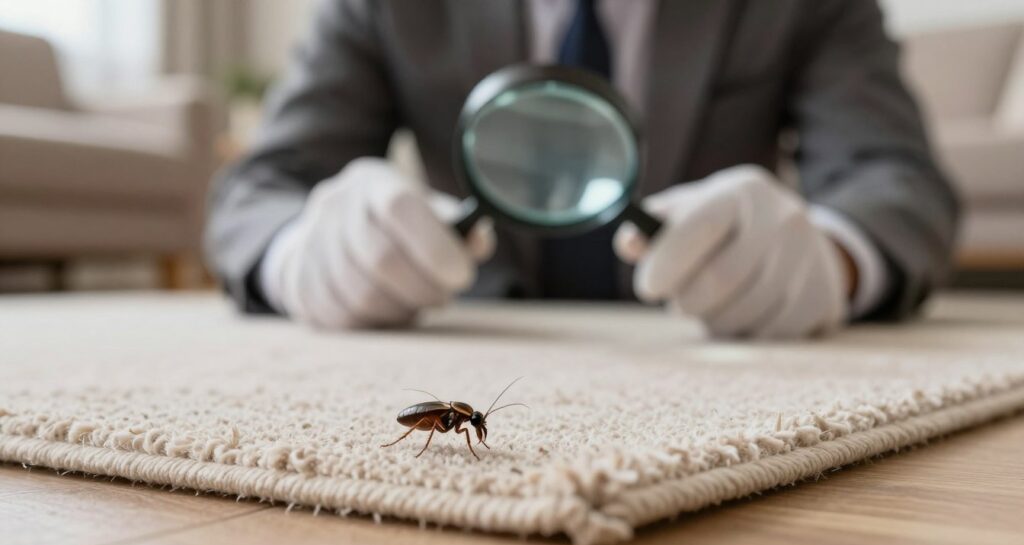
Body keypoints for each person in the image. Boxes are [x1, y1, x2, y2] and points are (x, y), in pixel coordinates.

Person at [205, 0, 958, 338]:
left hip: (704, 335)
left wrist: (831, 257)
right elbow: (260, 187)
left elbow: (897, 177)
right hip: (476, 327)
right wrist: (302, 252)